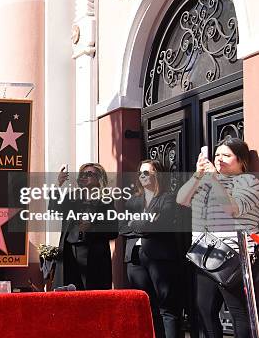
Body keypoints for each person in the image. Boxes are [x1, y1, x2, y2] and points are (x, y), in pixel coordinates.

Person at [176, 138, 259, 338]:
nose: (219, 159)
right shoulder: (204, 180)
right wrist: (198, 175)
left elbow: (232, 208)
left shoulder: (248, 181)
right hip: (204, 254)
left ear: (241, 161)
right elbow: (181, 199)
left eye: (226, 155)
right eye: (217, 155)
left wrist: (214, 179)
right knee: (205, 310)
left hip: (233, 256)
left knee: (238, 313)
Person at [120, 160, 181, 338]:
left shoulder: (168, 198)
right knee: (145, 307)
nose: (142, 175)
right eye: (140, 172)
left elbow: (161, 224)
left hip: (159, 258)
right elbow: (122, 227)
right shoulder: (132, 202)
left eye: (147, 172)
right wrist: (146, 223)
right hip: (135, 259)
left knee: (167, 308)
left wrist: (136, 224)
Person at [54, 163, 118, 290]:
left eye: (89, 174)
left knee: (92, 295)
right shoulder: (71, 197)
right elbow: (54, 210)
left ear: (98, 178)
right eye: (82, 173)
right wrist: (58, 185)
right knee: (71, 295)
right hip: (70, 252)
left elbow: (113, 230)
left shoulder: (106, 201)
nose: (84, 176)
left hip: (94, 254)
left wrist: (92, 228)